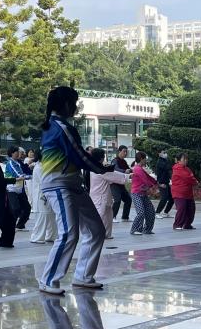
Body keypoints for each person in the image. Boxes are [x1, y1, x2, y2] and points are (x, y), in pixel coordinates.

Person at [36, 87, 111, 295]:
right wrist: (101, 169)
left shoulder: (53, 125)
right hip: (59, 185)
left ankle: (83, 276)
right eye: (74, 103)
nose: (76, 107)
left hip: (72, 184)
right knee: (69, 233)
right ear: (66, 104)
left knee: (96, 230)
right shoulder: (61, 127)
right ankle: (48, 280)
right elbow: (79, 155)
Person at [86, 147, 128, 242]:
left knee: (108, 216)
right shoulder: (99, 169)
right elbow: (113, 175)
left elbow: (111, 173)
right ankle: (95, 235)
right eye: (104, 156)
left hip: (103, 196)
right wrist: (128, 176)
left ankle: (106, 234)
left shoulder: (94, 167)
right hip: (100, 197)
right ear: (101, 158)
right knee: (100, 216)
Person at [129, 152, 157, 236]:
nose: (146, 160)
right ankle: (135, 229)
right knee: (141, 212)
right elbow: (145, 180)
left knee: (151, 211)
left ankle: (147, 229)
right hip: (136, 194)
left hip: (143, 194)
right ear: (141, 158)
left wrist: (156, 183)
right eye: (145, 159)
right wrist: (153, 188)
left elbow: (148, 177)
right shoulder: (137, 169)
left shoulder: (141, 168)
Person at [5, 146, 32, 229]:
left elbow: (25, 171)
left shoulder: (18, 162)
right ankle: (10, 225)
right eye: (16, 152)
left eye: (18, 152)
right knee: (16, 208)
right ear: (12, 153)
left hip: (20, 189)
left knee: (27, 208)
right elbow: (18, 174)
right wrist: (31, 176)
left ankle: (20, 225)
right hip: (11, 189)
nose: (18, 153)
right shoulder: (10, 163)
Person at [169, 153, 198, 230]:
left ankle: (187, 224)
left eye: (186, 159)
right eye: (184, 159)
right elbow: (188, 177)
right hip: (179, 193)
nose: (186, 160)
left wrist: (194, 181)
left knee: (191, 209)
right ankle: (177, 225)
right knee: (182, 208)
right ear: (179, 160)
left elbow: (192, 177)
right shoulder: (177, 168)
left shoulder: (187, 169)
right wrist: (195, 182)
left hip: (188, 192)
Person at [110, 146, 131, 221]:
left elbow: (129, 169)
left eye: (126, 151)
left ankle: (125, 217)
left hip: (121, 184)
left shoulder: (124, 161)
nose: (125, 153)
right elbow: (115, 169)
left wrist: (134, 169)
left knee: (128, 200)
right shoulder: (114, 160)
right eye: (124, 151)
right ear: (119, 151)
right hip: (114, 184)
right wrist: (124, 171)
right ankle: (112, 217)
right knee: (117, 200)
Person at [153, 149, 174, 218]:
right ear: (159, 154)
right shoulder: (160, 162)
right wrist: (160, 183)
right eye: (164, 152)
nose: (165, 154)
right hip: (162, 183)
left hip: (166, 182)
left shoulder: (165, 160)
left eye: (165, 152)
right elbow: (168, 167)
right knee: (164, 198)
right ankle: (157, 212)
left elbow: (169, 170)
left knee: (172, 198)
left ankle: (166, 212)